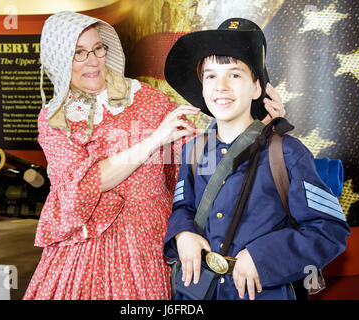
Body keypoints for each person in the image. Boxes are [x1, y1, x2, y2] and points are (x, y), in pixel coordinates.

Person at [24, 12, 284, 300]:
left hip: (149, 242)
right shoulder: (54, 119)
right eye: (79, 53)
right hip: (85, 248)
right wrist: (154, 140)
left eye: (98, 48)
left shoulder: (146, 98)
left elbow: (202, 157)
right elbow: (84, 186)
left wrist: (257, 126)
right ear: (59, 59)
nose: (93, 60)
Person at [163, 18, 350, 300]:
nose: (221, 86)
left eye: (235, 75)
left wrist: (263, 257)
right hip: (197, 294)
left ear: (256, 88)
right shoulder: (195, 151)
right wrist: (183, 235)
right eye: (211, 76)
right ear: (202, 87)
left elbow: (329, 230)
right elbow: (182, 208)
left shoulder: (286, 153)